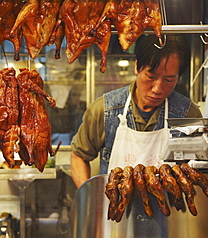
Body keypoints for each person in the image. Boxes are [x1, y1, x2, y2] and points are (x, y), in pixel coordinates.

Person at [70, 34, 203, 188]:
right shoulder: (104, 110)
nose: (157, 89)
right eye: (151, 76)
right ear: (137, 66)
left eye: (169, 80)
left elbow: (197, 168)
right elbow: (79, 156)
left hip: (170, 211)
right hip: (113, 209)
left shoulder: (188, 115)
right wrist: (92, 200)